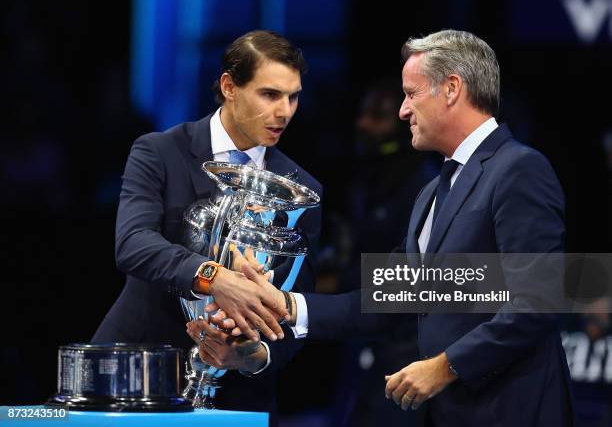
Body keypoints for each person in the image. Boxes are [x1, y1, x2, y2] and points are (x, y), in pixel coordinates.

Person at [192, 30, 575, 426]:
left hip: (512, 411)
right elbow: (389, 298)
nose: (403, 111)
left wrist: (445, 367)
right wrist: (284, 304)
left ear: (452, 89)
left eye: (412, 93)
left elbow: (537, 301)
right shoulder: (431, 192)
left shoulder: (519, 170)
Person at [92, 30, 322, 421]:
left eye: (293, 96)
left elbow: (296, 306)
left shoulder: (304, 189)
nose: (285, 111)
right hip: (138, 372)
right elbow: (133, 243)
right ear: (230, 86)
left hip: (238, 398)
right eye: (270, 94)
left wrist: (250, 355)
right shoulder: (160, 151)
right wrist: (215, 278)